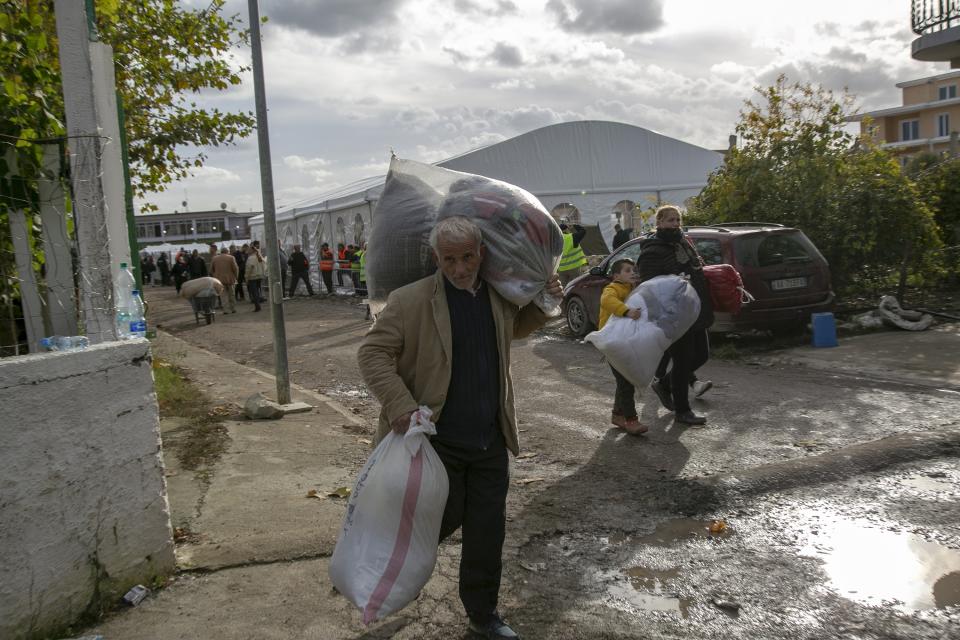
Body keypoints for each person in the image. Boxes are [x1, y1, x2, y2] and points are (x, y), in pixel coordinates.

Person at [358, 215, 562, 640]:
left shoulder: (497, 293)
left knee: (487, 533)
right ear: (437, 258)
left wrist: (543, 302)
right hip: (437, 442)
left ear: (481, 253)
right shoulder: (410, 300)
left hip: (489, 438)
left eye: (468, 257)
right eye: (450, 259)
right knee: (429, 525)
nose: (460, 268)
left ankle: (483, 615)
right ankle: (392, 576)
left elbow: (514, 328)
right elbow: (373, 353)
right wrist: (399, 404)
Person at [637, 205, 713, 425]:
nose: (675, 224)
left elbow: (695, 270)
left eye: (677, 220)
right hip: (673, 314)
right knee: (682, 360)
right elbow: (649, 285)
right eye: (670, 220)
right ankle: (683, 410)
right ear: (659, 222)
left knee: (702, 356)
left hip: (695, 309)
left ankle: (663, 384)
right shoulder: (652, 250)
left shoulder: (684, 243)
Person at [598, 258, 648, 435]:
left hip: (625, 342)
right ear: (616, 275)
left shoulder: (633, 289)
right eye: (627, 270)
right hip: (612, 342)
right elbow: (607, 301)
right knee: (626, 381)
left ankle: (617, 415)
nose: (632, 272)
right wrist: (627, 311)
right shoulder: (612, 288)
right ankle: (631, 420)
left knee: (624, 380)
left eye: (633, 269)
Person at [557, 221, 587, 286]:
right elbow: (583, 231)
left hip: (561, 269)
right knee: (576, 286)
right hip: (574, 268)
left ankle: (564, 296)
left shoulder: (555, 240)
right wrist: (574, 225)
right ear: (566, 229)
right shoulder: (572, 237)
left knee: (562, 288)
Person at [211, 247, 239, 314]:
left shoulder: (214, 258)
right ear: (227, 251)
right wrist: (236, 276)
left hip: (219, 280)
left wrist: (215, 276)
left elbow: (211, 270)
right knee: (232, 294)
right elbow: (235, 268)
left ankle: (225, 310)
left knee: (223, 296)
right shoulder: (231, 258)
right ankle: (233, 308)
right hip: (230, 279)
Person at [245, 245, 266, 312]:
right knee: (257, 291)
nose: (248, 251)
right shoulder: (260, 257)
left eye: (249, 249)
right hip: (259, 276)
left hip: (252, 277)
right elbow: (264, 266)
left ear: (252, 250)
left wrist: (246, 277)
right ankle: (258, 305)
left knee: (254, 292)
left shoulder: (250, 258)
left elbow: (249, 268)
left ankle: (257, 306)